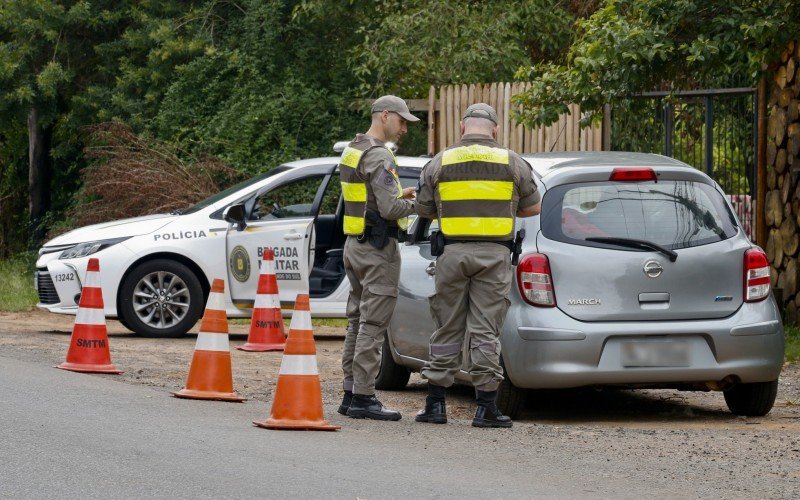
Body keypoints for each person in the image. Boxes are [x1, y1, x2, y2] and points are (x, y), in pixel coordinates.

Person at [414, 103, 541, 428]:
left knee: (447, 327)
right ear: (495, 129)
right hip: (495, 256)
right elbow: (533, 206)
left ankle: (435, 405)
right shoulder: (512, 161)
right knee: (485, 330)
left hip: (452, 255)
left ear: (462, 127)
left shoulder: (440, 161)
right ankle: (486, 407)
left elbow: (425, 209)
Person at [337, 95, 418, 421]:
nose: (404, 129)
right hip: (377, 250)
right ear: (385, 115)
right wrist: (417, 203)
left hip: (355, 246)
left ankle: (350, 392)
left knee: (357, 321)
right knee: (373, 324)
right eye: (401, 121)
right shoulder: (379, 154)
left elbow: (368, 197)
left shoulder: (353, 148)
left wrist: (399, 194)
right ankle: (365, 397)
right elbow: (390, 209)